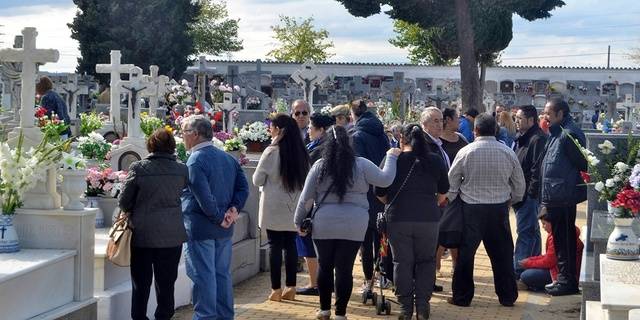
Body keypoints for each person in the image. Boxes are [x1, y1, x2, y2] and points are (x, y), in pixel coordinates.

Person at [294, 125, 400, 320]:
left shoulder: (320, 166)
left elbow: (306, 198)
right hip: (355, 223)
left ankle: (324, 309)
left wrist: (298, 221)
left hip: (324, 223)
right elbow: (385, 180)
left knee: (325, 266)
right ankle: (340, 313)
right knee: (345, 268)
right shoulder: (362, 164)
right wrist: (392, 156)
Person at [447, 113, 525, 307]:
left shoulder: (466, 152)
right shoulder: (507, 152)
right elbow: (519, 187)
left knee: (466, 255)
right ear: (496, 130)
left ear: (475, 131)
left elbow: (451, 183)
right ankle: (507, 296)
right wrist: (510, 200)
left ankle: (462, 297)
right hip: (498, 209)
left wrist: (451, 200)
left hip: (471, 208)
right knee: (503, 255)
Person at [375, 124, 449, 320]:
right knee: (426, 261)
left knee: (401, 262)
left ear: (401, 140)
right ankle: (423, 306)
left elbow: (379, 192)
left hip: (398, 219)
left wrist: (391, 202)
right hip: (428, 219)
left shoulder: (393, 159)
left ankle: (405, 308)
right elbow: (443, 193)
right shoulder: (434, 160)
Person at [181, 115, 250, 320]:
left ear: (194, 135)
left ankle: (206, 317)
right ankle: (224, 316)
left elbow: (203, 197)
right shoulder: (228, 157)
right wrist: (233, 210)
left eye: (184, 132)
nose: (182, 137)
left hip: (202, 228)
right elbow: (243, 188)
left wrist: (220, 216)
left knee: (203, 277)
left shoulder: (195, 160)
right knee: (221, 275)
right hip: (224, 228)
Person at [118, 128, 189, 320]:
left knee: (141, 283)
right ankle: (164, 316)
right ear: (172, 147)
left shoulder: (139, 168)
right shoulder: (182, 169)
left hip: (143, 234)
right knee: (166, 282)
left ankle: (139, 317)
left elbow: (124, 201)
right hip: (172, 235)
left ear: (150, 145)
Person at [253, 114, 310, 302]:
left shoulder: (271, 151)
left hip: (273, 206)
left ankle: (276, 289)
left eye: (272, 126)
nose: (270, 129)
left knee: (274, 246)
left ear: (279, 130)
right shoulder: (301, 153)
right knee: (291, 245)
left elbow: (257, 180)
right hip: (294, 205)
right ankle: (291, 287)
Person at [540, 98, 587, 296]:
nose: (546, 118)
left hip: (564, 195)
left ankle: (567, 281)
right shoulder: (558, 132)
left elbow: (582, 164)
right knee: (559, 240)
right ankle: (562, 278)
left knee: (565, 241)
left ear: (560, 114)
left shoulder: (569, 134)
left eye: (549, 114)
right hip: (556, 194)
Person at [349, 99, 390, 293]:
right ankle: (382, 276)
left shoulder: (357, 136)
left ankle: (368, 281)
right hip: (382, 191)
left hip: (365, 194)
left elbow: (359, 168)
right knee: (381, 237)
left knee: (365, 242)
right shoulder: (382, 134)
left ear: (353, 114)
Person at [295, 113, 335, 296]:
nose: (309, 131)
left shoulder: (319, 150)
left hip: (314, 203)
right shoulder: (333, 147)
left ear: (321, 130)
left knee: (308, 245)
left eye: (311, 127)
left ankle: (315, 284)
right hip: (329, 205)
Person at [512, 105, 547, 279]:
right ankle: (530, 269)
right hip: (521, 193)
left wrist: (531, 195)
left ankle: (519, 272)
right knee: (531, 231)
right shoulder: (523, 137)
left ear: (531, 120)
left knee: (526, 232)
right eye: (516, 118)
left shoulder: (537, 138)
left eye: (519, 118)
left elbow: (536, 169)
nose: (516, 121)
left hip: (528, 194)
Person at [518, 208, 584, 291]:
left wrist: (528, 263)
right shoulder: (557, 232)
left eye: (544, 224)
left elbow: (549, 261)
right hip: (557, 269)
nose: (543, 227)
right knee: (528, 271)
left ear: (553, 222)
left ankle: (538, 286)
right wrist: (530, 260)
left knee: (526, 275)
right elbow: (549, 256)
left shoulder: (557, 236)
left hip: (559, 273)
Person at [439, 107, 468, 269]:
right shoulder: (436, 141)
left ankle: (456, 266)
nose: (460, 121)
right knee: (441, 232)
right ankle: (435, 268)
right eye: (457, 118)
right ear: (448, 120)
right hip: (441, 193)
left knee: (456, 232)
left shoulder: (462, 139)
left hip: (459, 194)